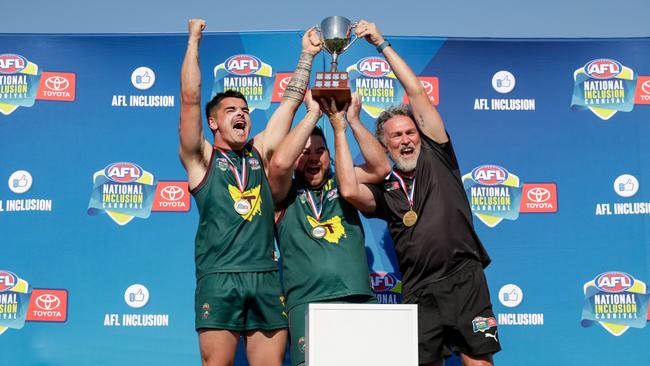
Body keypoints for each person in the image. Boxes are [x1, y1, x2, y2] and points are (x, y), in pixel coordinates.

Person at [335, 20, 502, 366]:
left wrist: (381, 44)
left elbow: (416, 94)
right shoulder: (384, 188)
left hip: (464, 278)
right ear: (384, 145)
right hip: (417, 290)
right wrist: (347, 123)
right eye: (395, 136)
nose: (406, 140)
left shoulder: (438, 154)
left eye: (410, 132)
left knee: (478, 361)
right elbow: (349, 190)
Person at [179, 19, 322, 366]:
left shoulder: (258, 152)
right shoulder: (201, 159)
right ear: (214, 123)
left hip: (265, 276)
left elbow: (288, 103)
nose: (241, 114)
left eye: (244, 111)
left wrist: (306, 55)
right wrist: (194, 42)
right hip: (220, 275)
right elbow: (190, 98)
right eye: (231, 111)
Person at [268, 91, 390, 366]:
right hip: (308, 304)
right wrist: (312, 115)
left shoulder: (342, 181)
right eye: (305, 152)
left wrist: (347, 124)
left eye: (320, 152)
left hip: (360, 299)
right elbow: (278, 164)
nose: (313, 158)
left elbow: (381, 167)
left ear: (329, 157)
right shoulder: (283, 194)